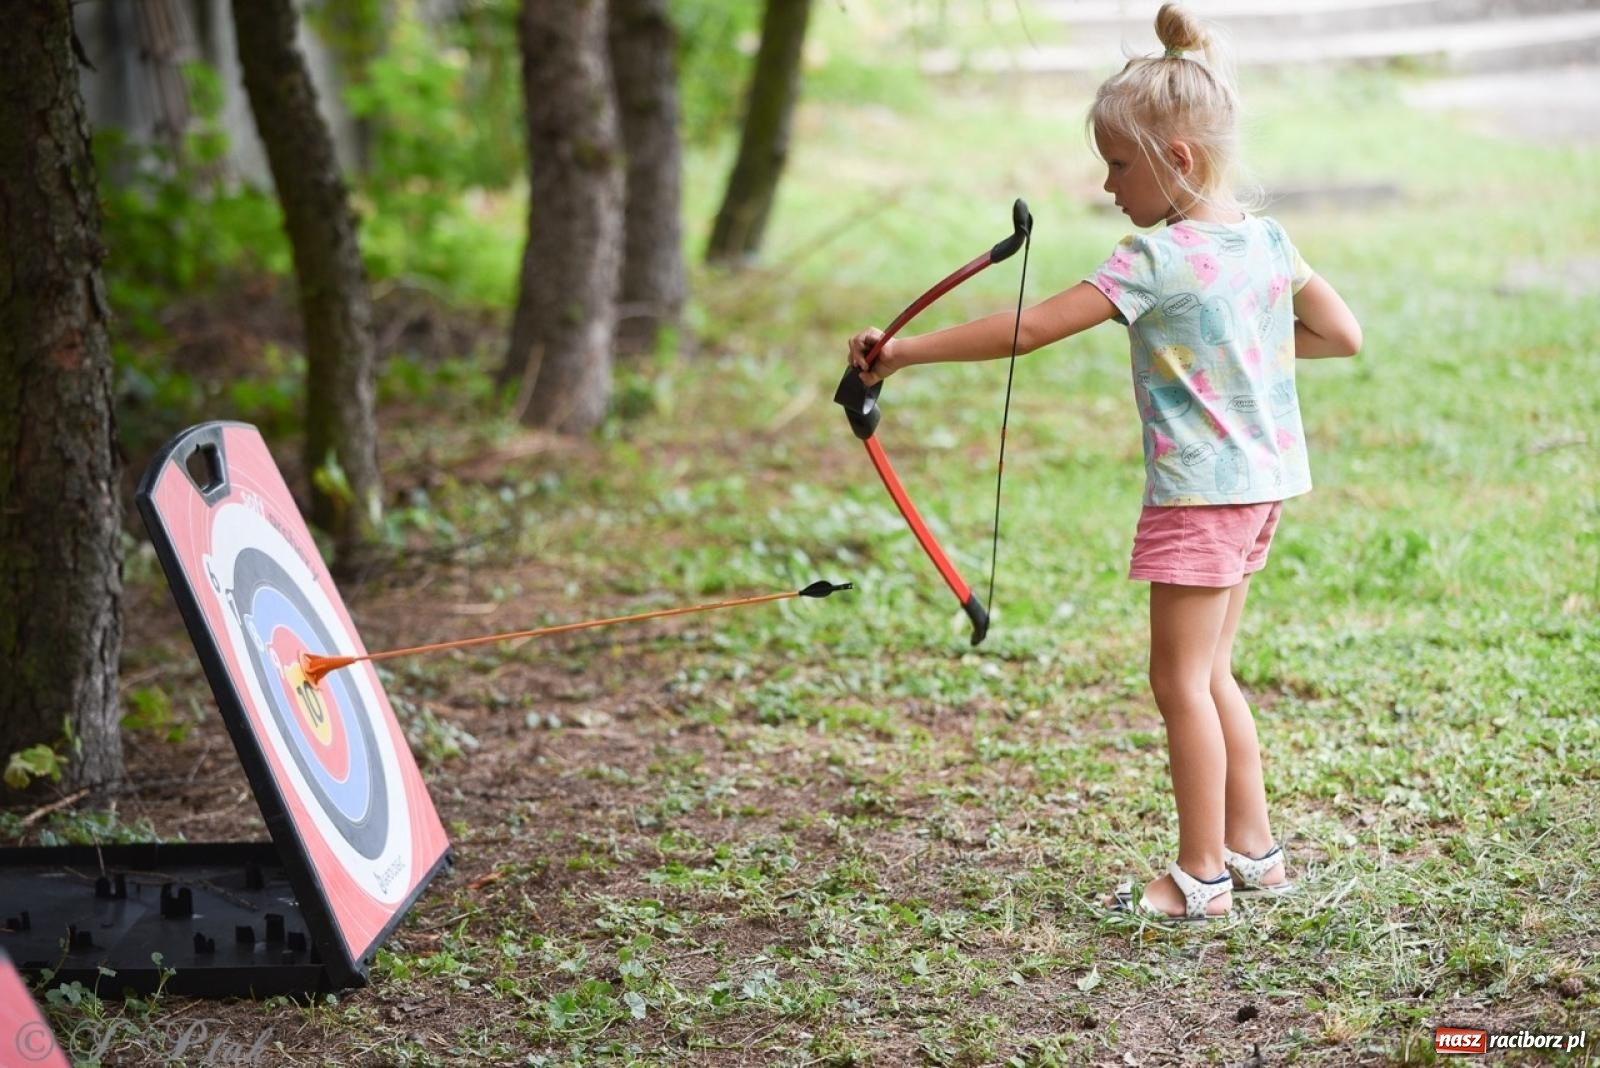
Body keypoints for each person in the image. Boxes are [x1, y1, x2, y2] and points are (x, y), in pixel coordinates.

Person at [846, 2, 1361, 920]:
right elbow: (1342, 335)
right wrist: (1250, 360)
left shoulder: (1156, 259)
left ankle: (1200, 875)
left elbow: (1031, 327)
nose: (1107, 184)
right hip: (1261, 492)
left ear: (1179, 159)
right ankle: (1255, 853)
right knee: (1212, 676)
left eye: (1119, 164)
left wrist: (904, 348)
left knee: (1179, 683)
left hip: (1202, 498)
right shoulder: (1267, 242)